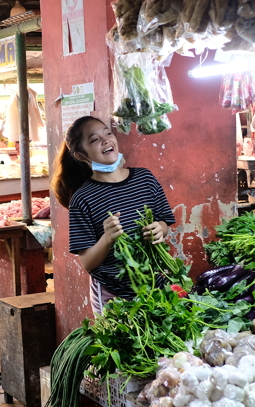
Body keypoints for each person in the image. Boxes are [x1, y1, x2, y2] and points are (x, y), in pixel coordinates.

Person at [51, 116, 175, 316]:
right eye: (94, 139)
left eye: (108, 133)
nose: (106, 140)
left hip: (156, 284)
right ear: (81, 155)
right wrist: (107, 238)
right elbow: (87, 262)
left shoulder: (145, 178)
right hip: (113, 296)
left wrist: (159, 228)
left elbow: (164, 221)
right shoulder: (83, 199)